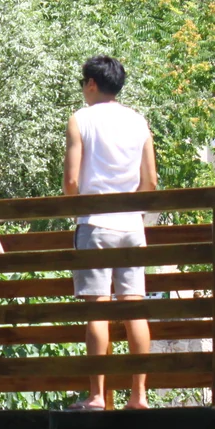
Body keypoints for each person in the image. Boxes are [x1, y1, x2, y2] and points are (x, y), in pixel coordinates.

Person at [64, 55, 158, 410]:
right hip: (132, 226)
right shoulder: (138, 121)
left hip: (95, 224)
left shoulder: (81, 120)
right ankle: (140, 396)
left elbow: (72, 180)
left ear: (91, 83)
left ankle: (98, 396)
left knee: (97, 313)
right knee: (135, 310)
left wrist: (73, 208)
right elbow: (150, 180)